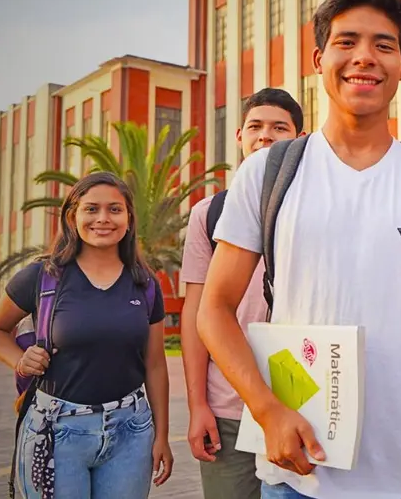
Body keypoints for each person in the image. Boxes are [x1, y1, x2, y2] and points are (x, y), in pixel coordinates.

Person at [197, 0, 401, 499]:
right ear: (318, 58)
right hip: (300, 477)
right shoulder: (268, 173)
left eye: (384, 45)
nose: (365, 58)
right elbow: (213, 309)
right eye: (347, 42)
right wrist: (267, 412)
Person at [0, 171, 172, 499]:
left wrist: (162, 436)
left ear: (128, 218)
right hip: (54, 432)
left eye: (115, 209)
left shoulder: (145, 283)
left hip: (131, 432)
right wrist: (20, 360)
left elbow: (155, 365)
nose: (103, 218)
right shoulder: (42, 277)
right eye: (91, 209)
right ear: (73, 216)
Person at [180, 87, 304, 499]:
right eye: (255, 126)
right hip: (229, 407)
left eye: (279, 128)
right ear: (239, 136)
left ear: (299, 139)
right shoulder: (208, 213)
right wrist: (199, 405)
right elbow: (197, 314)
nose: (265, 136)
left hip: (302, 401)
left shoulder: (315, 208)